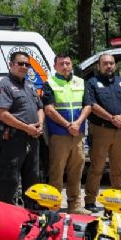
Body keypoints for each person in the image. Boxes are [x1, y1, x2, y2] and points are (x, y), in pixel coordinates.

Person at [0, 51, 45, 205]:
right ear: (11, 65)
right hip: (14, 139)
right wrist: (27, 128)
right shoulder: (4, 86)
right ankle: (7, 214)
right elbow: (2, 114)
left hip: (33, 137)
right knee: (9, 180)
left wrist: (40, 124)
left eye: (27, 64)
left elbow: (40, 107)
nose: (24, 67)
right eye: (20, 63)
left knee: (33, 178)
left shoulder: (30, 86)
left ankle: (32, 213)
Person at [83, 53, 121, 213]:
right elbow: (91, 105)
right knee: (97, 167)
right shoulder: (92, 83)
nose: (109, 66)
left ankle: (116, 200)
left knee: (118, 168)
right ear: (99, 66)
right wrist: (112, 118)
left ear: (115, 65)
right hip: (100, 130)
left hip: (120, 131)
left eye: (111, 63)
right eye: (105, 63)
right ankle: (90, 200)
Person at [42, 54, 91, 214]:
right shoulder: (49, 83)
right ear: (55, 66)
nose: (65, 66)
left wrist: (77, 123)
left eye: (68, 63)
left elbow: (88, 106)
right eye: (61, 64)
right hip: (59, 134)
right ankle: (53, 207)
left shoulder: (81, 82)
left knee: (76, 171)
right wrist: (68, 125)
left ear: (72, 65)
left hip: (78, 134)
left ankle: (75, 205)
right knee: (56, 171)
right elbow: (49, 109)